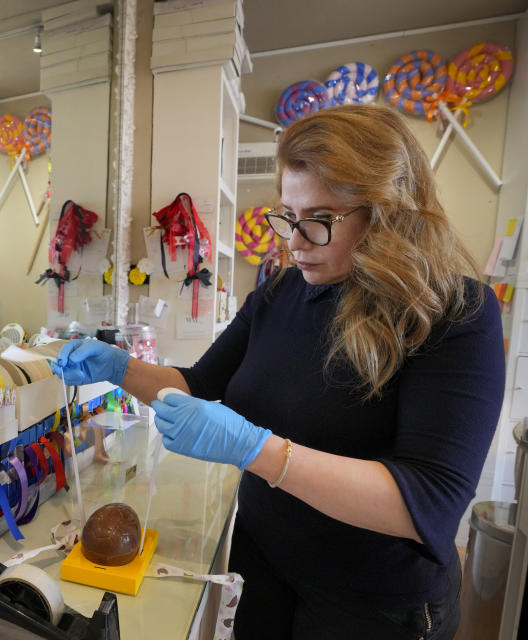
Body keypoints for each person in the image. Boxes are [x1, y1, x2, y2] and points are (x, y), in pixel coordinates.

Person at [52, 104, 504, 639]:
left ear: (388, 212)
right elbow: (197, 383)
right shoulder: (279, 293)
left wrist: (257, 450)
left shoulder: (452, 313)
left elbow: (427, 501)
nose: (293, 241)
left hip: (374, 603)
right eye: (288, 215)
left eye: (318, 220)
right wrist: (120, 367)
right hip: (266, 565)